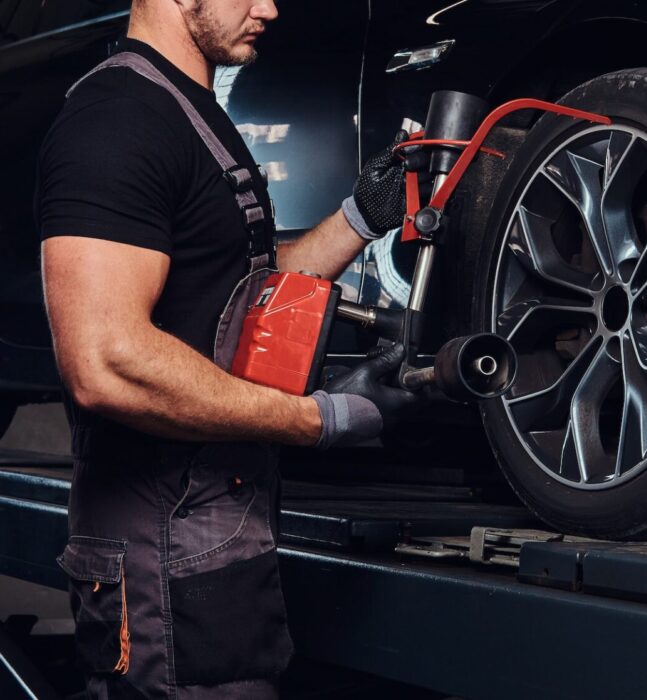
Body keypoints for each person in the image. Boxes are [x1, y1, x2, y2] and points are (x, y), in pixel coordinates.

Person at [36, 0, 416, 696]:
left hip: (217, 537)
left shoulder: (192, 112)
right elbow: (105, 362)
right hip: (157, 554)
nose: (270, 6)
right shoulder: (118, 119)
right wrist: (320, 420)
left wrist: (360, 219)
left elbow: (239, 288)